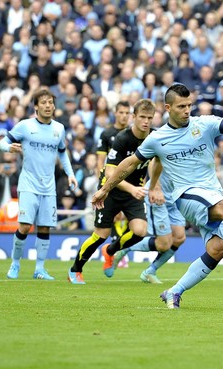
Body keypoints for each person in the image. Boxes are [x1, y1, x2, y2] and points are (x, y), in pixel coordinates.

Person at [91, 84, 223, 309]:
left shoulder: (203, 124)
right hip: (186, 197)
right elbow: (128, 164)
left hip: (211, 192)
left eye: (189, 105)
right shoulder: (158, 138)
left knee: (218, 248)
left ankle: (174, 291)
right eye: (181, 106)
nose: (187, 110)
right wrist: (105, 188)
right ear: (167, 108)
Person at [67, 99, 156, 284]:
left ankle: (110, 251)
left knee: (140, 231)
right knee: (101, 235)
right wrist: (132, 189)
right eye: (142, 117)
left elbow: (158, 163)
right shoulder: (122, 138)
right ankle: (75, 270)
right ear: (134, 117)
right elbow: (109, 173)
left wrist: (153, 186)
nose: (146, 121)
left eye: (150, 117)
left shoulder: (155, 137)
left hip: (135, 192)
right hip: (111, 191)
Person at [0, 89, 78, 280]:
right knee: (25, 226)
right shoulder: (25, 126)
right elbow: (1, 143)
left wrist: (70, 174)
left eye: (50, 102)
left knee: (44, 227)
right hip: (28, 184)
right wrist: (9, 147)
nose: (48, 106)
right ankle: (15, 264)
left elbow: (62, 153)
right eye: (44, 103)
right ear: (36, 106)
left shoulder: (58, 129)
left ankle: (39, 269)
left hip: (48, 187)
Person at [104, 160, 187, 284]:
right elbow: (154, 162)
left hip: (174, 197)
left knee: (179, 237)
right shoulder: (170, 142)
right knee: (163, 245)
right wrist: (156, 188)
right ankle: (125, 247)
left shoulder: (195, 147)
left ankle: (149, 272)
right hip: (157, 195)